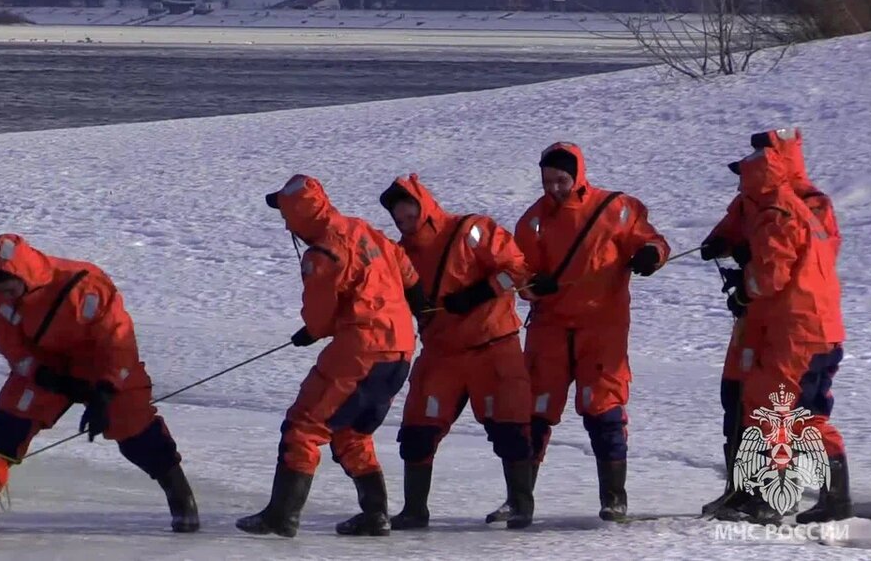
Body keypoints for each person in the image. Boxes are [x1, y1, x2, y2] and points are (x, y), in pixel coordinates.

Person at [0, 233, 199, 533]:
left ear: (24, 273)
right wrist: (43, 376)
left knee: (134, 429)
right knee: (6, 426)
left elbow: (117, 341)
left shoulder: (84, 284)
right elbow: (13, 349)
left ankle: (180, 495)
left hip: (104, 365)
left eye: (9, 287)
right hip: (47, 368)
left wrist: (105, 392)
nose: (5, 295)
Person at [236, 174, 421, 538]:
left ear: (300, 216)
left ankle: (282, 515)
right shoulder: (362, 229)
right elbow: (408, 272)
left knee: (303, 427)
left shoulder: (322, 252)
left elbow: (319, 320)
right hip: (400, 350)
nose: (285, 223)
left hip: (361, 349)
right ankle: (375, 514)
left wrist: (313, 330)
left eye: (286, 215)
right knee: (351, 432)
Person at [515, 142, 670, 522]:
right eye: (547, 180)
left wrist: (650, 255)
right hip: (549, 329)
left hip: (601, 329)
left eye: (562, 180)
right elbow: (517, 273)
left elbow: (653, 240)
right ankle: (520, 501)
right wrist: (534, 285)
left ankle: (614, 499)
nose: (554, 188)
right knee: (534, 411)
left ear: (578, 175)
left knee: (603, 410)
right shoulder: (531, 221)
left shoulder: (616, 210)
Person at [378, 174, 535, 530]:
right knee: (418, 430)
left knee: (509, 429)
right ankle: (414, 510)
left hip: (493, 347)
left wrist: (479, 293)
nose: (405, 225)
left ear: (424, 207)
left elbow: (517, 270)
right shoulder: (400, 255)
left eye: (409, 216)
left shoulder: (471, 231)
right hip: (441, 353)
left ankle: (521, 504)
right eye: (398, 221)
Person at [699, 127, 842, 515]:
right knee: (744, 399)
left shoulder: (793, 207)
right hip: (769, 319)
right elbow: (735, 228)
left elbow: (779, 269)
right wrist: (721, 243)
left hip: (792, 322)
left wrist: (748, 280)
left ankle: (784, 495)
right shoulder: (759, 203)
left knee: (785, 408)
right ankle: (746, 490)